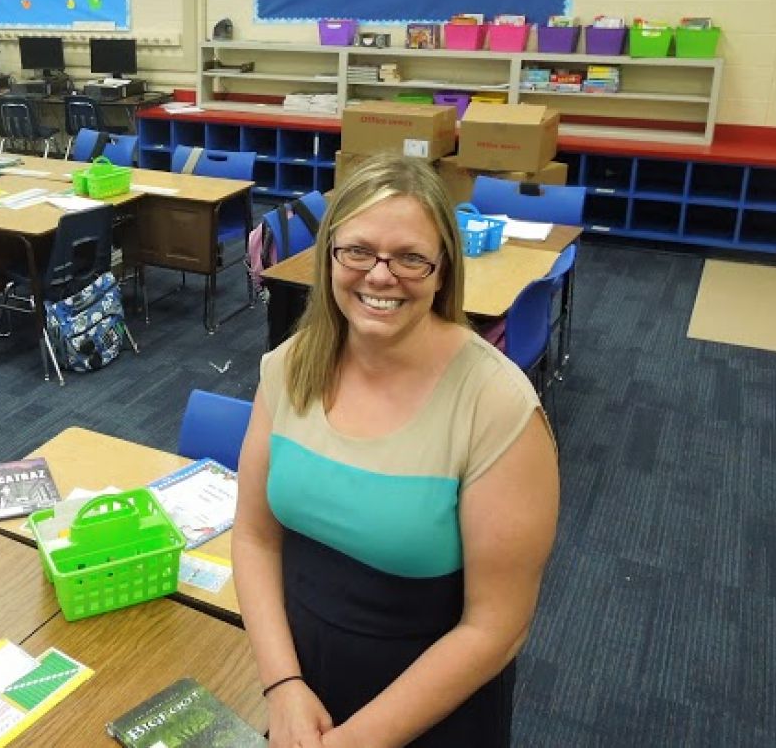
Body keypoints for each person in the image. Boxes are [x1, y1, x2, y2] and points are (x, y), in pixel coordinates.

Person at [232, 152, 559, 748]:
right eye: (357, 251)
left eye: (410, 257)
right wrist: (282, 685)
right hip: (301, 690)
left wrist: (356, 741)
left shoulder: (497, 406)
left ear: (441, 271)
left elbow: (495, 628)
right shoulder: (290, 367)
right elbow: (254, 537)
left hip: (431, 711)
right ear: (330, 255)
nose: (380, 276)